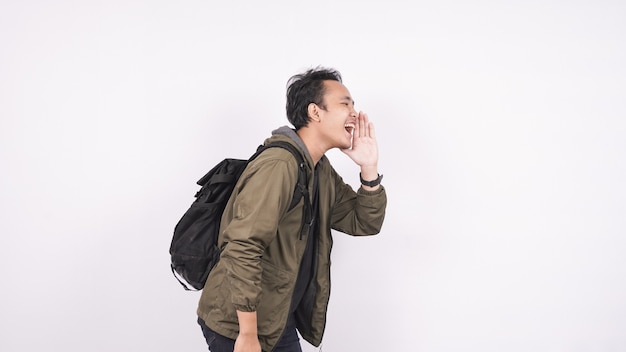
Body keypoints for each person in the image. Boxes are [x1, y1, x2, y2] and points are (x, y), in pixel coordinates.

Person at [196, 67, 387, 352]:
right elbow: (242, 245)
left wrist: (369, 168)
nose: (355, 114)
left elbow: (362, 221)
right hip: (237, 321)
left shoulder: (318, 169)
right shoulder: (279, 165)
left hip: (275, 318)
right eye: (345, 104)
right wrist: (248, 334)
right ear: (315, 112)